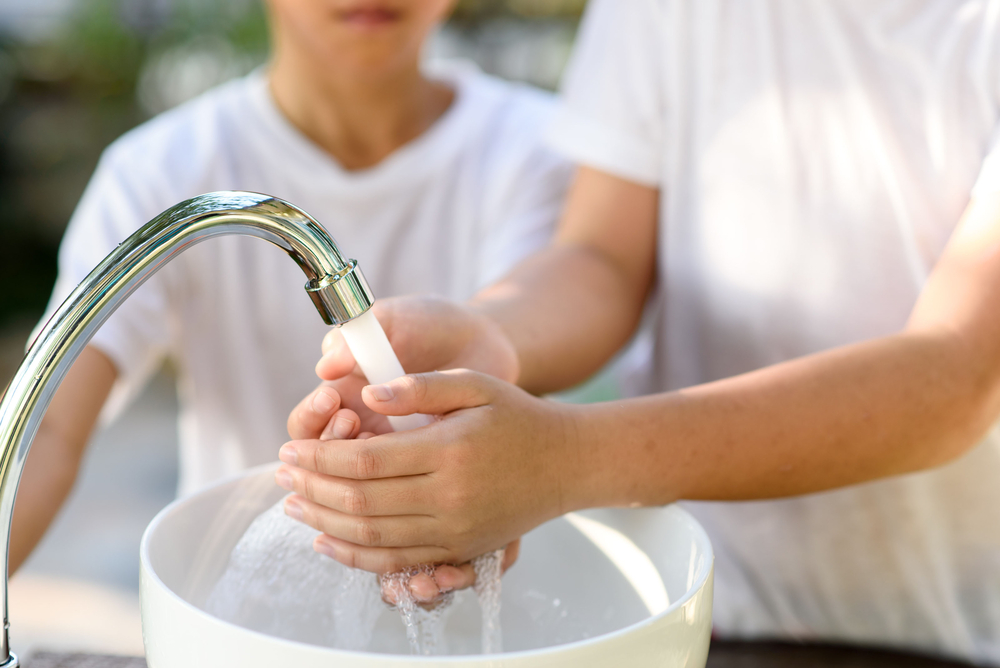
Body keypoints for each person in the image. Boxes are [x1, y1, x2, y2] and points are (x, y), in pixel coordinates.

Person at [280, 0, 1000, 663]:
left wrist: (565, 461)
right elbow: (603, 257)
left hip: (949, 628)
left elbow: (958, 375)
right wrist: (492, 336)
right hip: (697, 603)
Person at [13, 0, 570, 581]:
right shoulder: (159, 170)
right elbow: (46, 426)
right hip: (235, 605)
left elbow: (530, 354)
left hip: (482, 595)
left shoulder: (540, 150)